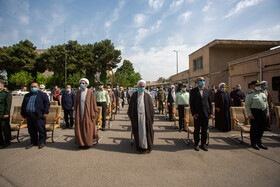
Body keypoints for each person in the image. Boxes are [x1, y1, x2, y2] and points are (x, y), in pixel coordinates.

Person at [128, 80, 154, 153]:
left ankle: (147, 146)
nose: (142, 88)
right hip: (137, 118)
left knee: (147, 131)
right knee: (138, 132)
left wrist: (151, 117)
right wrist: (132, 117)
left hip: (146, 117)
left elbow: (151, 108)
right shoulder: (134, 95)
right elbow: (131, 108)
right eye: (140, 86)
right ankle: (139, 146)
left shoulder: (147, 96)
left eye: (143, 86)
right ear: (138, 87)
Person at [21, 83, 50, 149]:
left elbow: (47, 104)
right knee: (31, 130)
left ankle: (42, 141)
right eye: (32, 86)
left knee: (41, 129)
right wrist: (23, 114)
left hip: (39, 115)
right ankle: (33, 142)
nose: (33, 87)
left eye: (35, 86)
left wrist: (46, 112)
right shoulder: (27, 95)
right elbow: (23, 105)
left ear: (38, 87)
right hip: (29, 115)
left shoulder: (43, 95)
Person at [73, 78, 98, 148]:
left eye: (83, 83)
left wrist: (94, 112)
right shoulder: (78, 92)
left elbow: (93, 103)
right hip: (79, 113)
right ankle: (81, 143)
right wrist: (74, 113)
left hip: (88, 113)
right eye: (81, 83)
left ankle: (88, 143)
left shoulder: (90, 92)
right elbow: (76, 103)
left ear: (86, 84)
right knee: (79, 127)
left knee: (87, 128)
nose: (82, 84)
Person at [190, 77, 213, 151]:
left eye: (203, 80)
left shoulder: (207, 91)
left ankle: (203, 144)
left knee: (204, 130)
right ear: (197, 82)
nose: (202, 82)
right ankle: (196, 144)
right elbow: (191, 103)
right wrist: (194, 113)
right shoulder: (193, 91)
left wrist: (211, 113)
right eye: (200, 80)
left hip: (206, 114)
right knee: (197, 130)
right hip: (197, 114)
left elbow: (210, 103)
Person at [245, 80, 269, 150]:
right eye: (256, 85)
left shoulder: (262, 94)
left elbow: (266, 104)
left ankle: (259, 142)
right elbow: (247, 105)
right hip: (255, 113)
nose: (258, 87)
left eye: (259, 85)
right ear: (252, 86)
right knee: (254, 129)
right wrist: (249, 114)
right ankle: (253, 143)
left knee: (261, 128)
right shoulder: (250, 95)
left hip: (263, 112)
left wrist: (267, 112)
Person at [0, 80, 12, 149]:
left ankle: (7, 141)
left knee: (5, 128)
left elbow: (8, 104)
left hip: (3, 114)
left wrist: (7, 113)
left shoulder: (6, 93)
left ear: (2, 85)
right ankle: (1, 141)